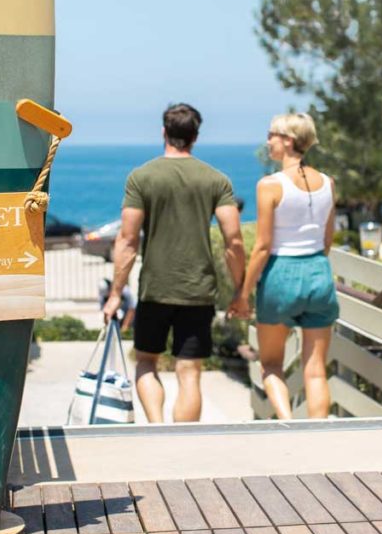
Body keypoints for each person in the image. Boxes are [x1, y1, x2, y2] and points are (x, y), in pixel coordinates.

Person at [103, 103, 245, 423]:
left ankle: (156, 428)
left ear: (164, 132)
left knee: (146, 362)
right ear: (195, 136)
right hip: (198, 289)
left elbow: (127, 240)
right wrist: (240, 290)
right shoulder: (216, 180)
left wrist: (116, 293)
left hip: (155, 288)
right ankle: (184, 442)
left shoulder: (141, 178)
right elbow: (233, 240)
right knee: (190, 371)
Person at [229, 113, 339, 419]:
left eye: (272, 135)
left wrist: (243, 294)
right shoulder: (328, 183)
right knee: (315, 370)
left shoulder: (269, 185)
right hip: (318, 272)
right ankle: (316, 435)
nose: (268, 141)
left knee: (271, 364)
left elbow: (262, 247)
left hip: (281, 275)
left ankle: (288, 425)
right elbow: (327, 240)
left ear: (288, 141)